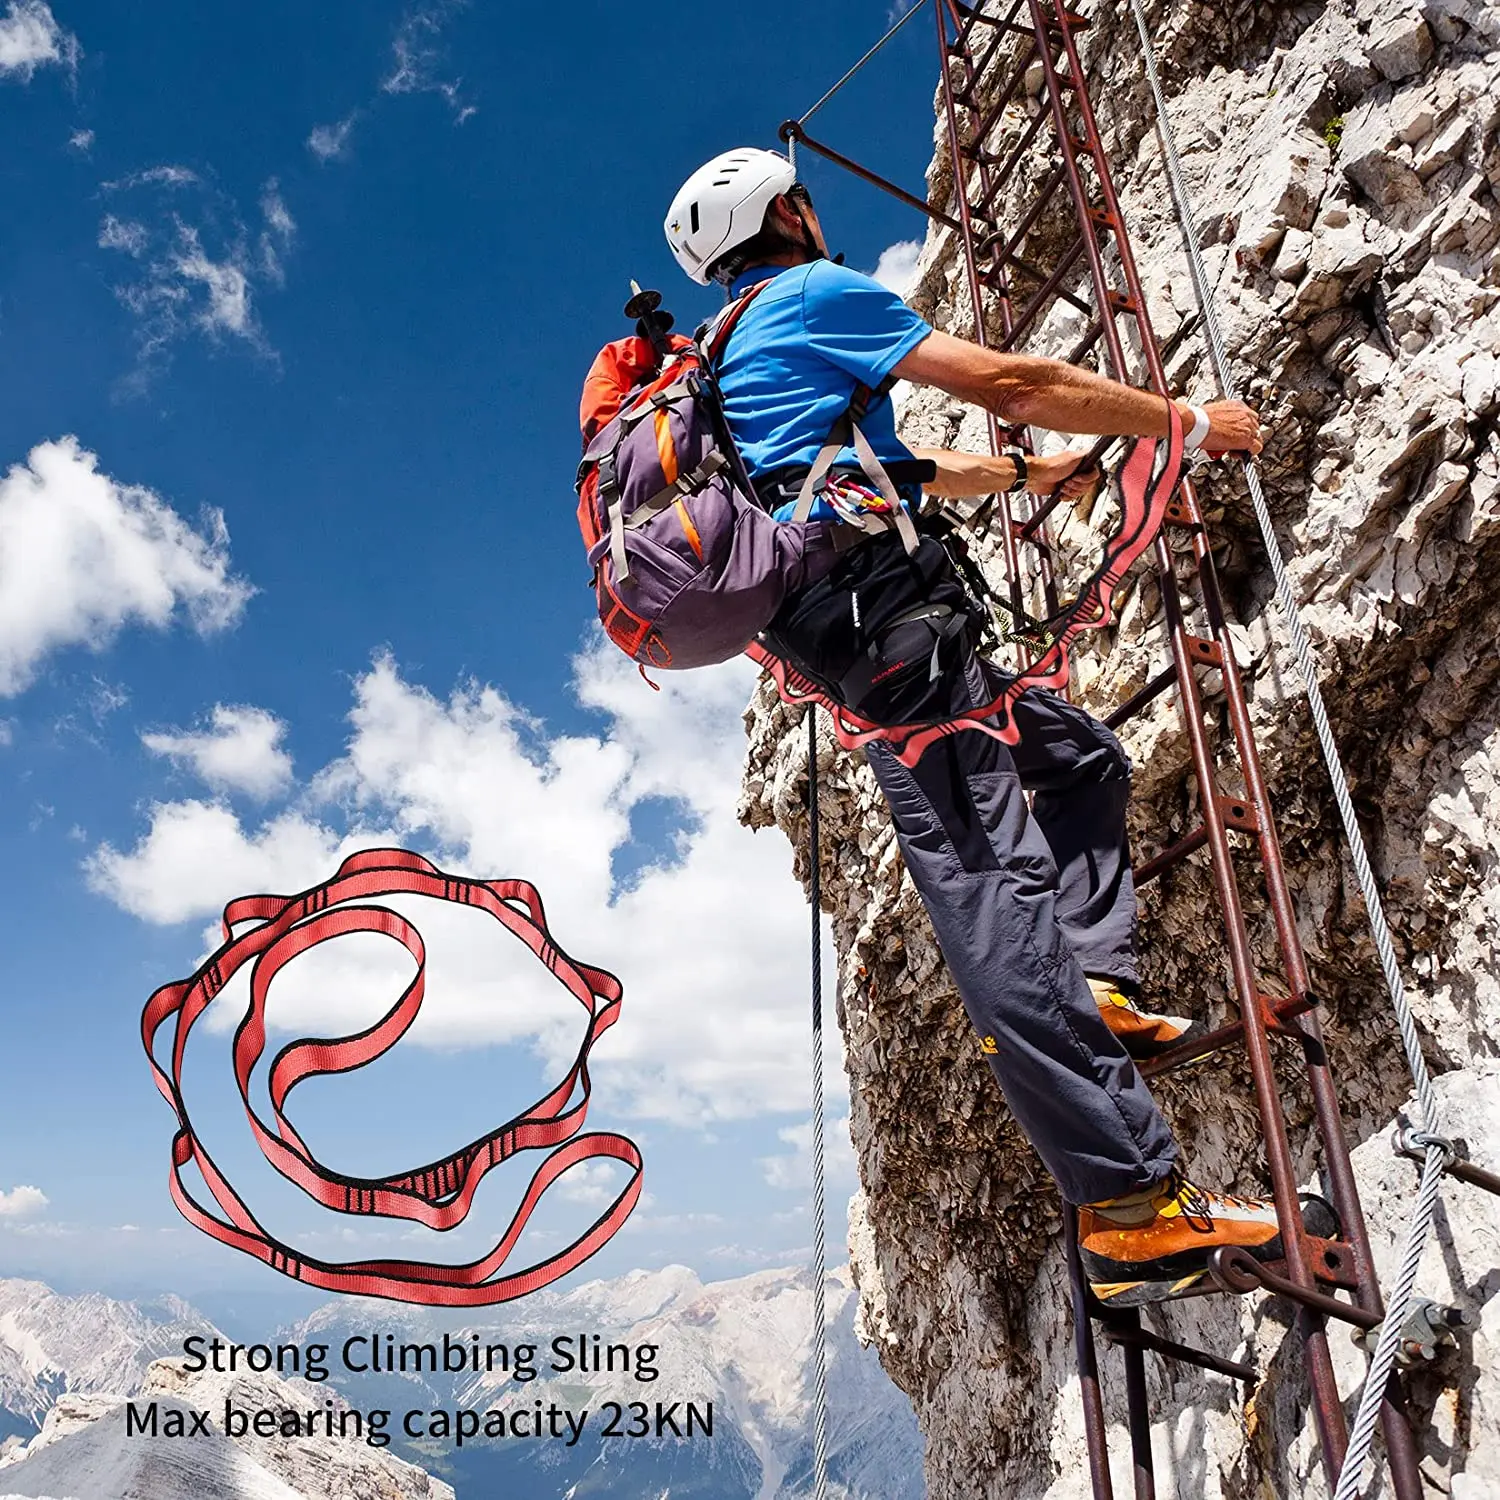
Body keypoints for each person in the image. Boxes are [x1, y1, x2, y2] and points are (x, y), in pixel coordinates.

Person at [663, 148, 1335, 1308]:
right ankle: (1132, 1208)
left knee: (1080, 760)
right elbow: (1012, 380)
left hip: (869, 635)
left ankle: (1098, 984)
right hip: (889, 637)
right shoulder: (809, 296)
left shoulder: (727, 358)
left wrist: (1036, 478)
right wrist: (1180, 421)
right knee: (998, 905)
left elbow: (901, 468)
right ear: (789, 210)